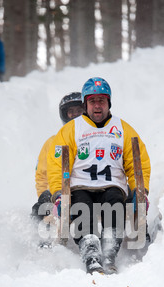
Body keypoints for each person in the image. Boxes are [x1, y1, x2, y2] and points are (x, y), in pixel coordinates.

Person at [47, 77, 151, 275]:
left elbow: (139, 163)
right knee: (81, 207)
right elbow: (55, 164)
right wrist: (58, 193)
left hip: (112, 185)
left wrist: (141, 192)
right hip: (79, 186)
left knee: (114, 203)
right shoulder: (70, 129)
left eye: (101, 100)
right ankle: (91, 254)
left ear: (108, 103)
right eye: (92, 101)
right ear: (85, 104)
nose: (97, 105)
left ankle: (110, 252)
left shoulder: (123, 129)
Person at [32, 92, 84, 220]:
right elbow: (41, 175)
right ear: (64, 115)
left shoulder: (96, 137)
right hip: (58, 192)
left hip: (85, 189)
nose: (75, 114)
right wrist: (46, 194)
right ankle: (39, 237)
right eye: (71, 111)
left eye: (79, 110)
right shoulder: (52, 142)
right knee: (39, 208)